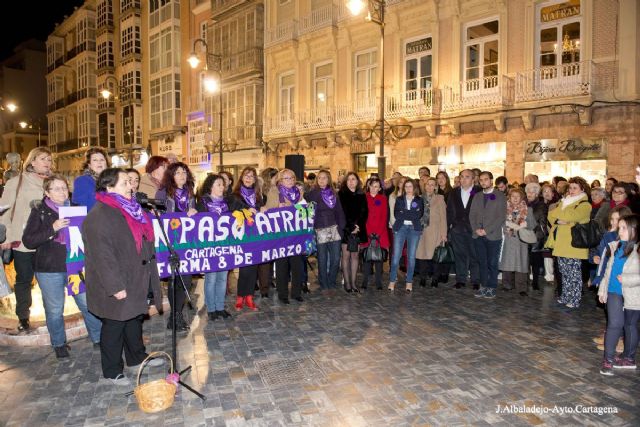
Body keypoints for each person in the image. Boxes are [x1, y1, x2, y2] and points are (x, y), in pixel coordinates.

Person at [83, 168, 163, 385]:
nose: (131, 186)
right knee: (115, 325)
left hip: (135, 276)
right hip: (115, 282)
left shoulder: (132, 210)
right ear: (109, 188)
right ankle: (111, 370)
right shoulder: (98, 216)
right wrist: (115, 287)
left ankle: (136, 358)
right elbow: (102, 258)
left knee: (134, 319)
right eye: (125, 183)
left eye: (131, 182)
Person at [22, 175, 102, 358]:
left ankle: (98, 338)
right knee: (54, 309)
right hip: (49, 268)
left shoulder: (76, 209)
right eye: (56, 189)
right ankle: (59, 343)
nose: (62, 192)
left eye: (64, 188)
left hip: (76, 265)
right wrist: (53, 228)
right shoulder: (40, 211)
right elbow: (28, 241)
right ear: (47, 192)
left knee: (87, 303)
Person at [0, 147, 53, 331]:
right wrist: (5, 236)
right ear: (32, 162)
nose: (47, 162)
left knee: (50, 279)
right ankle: (23, 316)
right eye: (43, 159)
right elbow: (5, 210)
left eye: (49, 159)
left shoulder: (53, 182)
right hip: (22, 240)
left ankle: (52, 316)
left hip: (48, 239)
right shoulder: (17, 181)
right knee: (24, 279)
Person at [156, 162, 198, 330]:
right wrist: (181, 215)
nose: (182, 175)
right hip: (170, 242)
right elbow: (159, 216)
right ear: (171, 176)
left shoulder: (190, 193)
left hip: (186, 242)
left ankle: (177, 315)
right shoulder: (163, 193)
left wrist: (194, 213)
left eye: (184, 172)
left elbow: (194, 217)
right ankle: (175, 317)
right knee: (174, 280)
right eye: (178, 172)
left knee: (186, 281)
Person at [597, 214, 640, 375]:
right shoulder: (615, 246)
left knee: (630, 326)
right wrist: (603, 289)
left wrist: (627, 279)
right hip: (614, 291)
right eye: (619, 227)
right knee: (615, 324)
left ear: (634, 230)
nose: (619, 231)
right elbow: (608, 270)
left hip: (634, 294)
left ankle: (629, 358)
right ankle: (608, 360)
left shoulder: (638, 249)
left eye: (623, 228)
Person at [546, 177, 592, 309]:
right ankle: (565, 295)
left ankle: (574, 298)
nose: (571, 190)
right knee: (563, 272)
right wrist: (565, 219)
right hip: (561, 243)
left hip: (574, 245)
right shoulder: (564, 202)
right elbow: (551, 215)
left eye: (575, 188)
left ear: (582, 189)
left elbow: (572, 216)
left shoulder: (585, 204)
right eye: (570, 188)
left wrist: (566, 219)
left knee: (574, 274)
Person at [264, 168, 306, 303]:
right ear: (280, 180)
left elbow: (305, 211)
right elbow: (268, 211)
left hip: (296, 233)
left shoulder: (298, 193)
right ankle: (282, 294)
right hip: (281, 234)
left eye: (292, 178)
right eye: (286, 178)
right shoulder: (274, 191)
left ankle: (296, 292)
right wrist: (278, 207)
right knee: (282, 264)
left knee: (297, 264)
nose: (290, 181)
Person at [196, 173, 233, 320]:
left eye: (223, 184)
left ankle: (220, 307)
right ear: (210, 186)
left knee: (222, 278)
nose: (222, 187)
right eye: (218, 184)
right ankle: (211, 308)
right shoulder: (203, 202)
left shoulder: (227, 202)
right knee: (211, 278)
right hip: (210, 246)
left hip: (224, 245)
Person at [305, 170, 345, 295]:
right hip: (320, 229)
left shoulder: (334, 194)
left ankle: (332, 281)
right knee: (322, 259)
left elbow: (339, 212)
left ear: (328, 179)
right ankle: (324, 283)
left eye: (324, 178)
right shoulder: (312, 194)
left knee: (336, 258)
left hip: (334, 229)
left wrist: (341, 228)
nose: (321, 180)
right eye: (319, 178)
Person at [229, 167, 263, 310]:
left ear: (255, 180)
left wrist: (263, 209)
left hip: (255, 235)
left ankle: (249, 296)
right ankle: (240, 296)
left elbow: (261, 210)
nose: (249, 178)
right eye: (246, 175)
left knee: (253, 267)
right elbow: (231, 213)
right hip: (241, 235)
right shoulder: (235, 195)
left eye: (252, 176)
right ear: (241, 177)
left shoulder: (258, 196)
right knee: (244, 268)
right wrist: (245, 211)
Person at [469, 171, 507, 299]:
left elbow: (501, 217)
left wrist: (487, 230)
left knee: (492, 262)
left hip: (493, 235)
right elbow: (472, 215)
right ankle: (483, 286)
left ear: (491, 180)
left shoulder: (500, 195)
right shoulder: (477, 195)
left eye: (486, 179)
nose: (483, 182)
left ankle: (492, 287)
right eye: (481, 180)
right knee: (482, 262)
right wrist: (476, 229)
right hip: (478, 235)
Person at [446, 169, 481, 290]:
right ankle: (461, 279)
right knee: (459, 255)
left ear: (473, 179)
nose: (464, 179)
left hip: (474, 229)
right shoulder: (453, 192)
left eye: (467, 177)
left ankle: (476, 280)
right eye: (462, 177)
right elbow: (449, 211)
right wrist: (448, 229)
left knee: (474, 255)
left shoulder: (479, 192)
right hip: (457, 229)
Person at [389, 178, 424, 292]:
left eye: (410, 186)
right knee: (396, 256)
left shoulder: (419, 200)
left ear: (414, 188)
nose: (408, 189)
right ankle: (392, 279)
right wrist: (409, 214)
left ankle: (409, 281)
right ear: (403, 188)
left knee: (411, 257)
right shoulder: (399, 199)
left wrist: (405, 212)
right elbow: (397, 215)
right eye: (406, 186)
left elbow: (418, 215)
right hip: (401, 228)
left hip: (414, 229)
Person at [500, 187, 534, 296]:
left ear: (522, 198)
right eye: (513, 196)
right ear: (509, 197)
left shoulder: (528, 209)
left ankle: (522, 288)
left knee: (521, 263)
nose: (515, 198)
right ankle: (507, 284)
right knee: (507, 263)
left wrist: (526, 224)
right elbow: (498, 222)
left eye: (517, 196)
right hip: (508, 239)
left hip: (521, 240)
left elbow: (533, 224)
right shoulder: (503, 209)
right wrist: (506, 224)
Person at [338, 172, 368, 293]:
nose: (351, 181)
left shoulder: (362, 195)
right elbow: (342, 213)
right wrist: (351, 227)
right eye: (349, 179)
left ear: (357, 181)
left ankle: (354, 283)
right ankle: (347, 283)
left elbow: (365, 212)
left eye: (353, 179)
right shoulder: (341, 194)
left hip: (359, 229)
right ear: (346, 182)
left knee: (355, 256)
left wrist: (358, 226)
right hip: (346, 229)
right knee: (345, 256)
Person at [416, 177, 447, 288]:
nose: (429, 187)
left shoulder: (440, 198)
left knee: (436, 256)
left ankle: (435, 279)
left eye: (432, 185)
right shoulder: (418, 199)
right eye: (428, 184)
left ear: (436, 187)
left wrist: (444, 234)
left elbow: (443, 218)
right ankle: (422, 278)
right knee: (422, 256)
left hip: (435, 231)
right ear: (424, 186)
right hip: (421, 231)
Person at [360, 176, 389, 290]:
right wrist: (367, 232)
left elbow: (384, 217)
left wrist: (378, 233)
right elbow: (362, 216)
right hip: (367, 232)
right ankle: (365, 281)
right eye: (372, 186)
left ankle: (378, 281)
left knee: (379, 258)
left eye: (376, 186)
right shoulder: (364, 198)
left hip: (380, 233)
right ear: (368, 186)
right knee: (367, 258)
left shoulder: (382, 199)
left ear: (379, 188)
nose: (374, 188)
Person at [525, 182, 548, 291]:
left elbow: (540, 221)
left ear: (537, 193)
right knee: (524, 260)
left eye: (532, 192)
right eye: (528, 191)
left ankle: (535, 281)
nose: (529, 194)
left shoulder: (541, 205)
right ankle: (524, 280)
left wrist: (538, 235)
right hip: (523, 234)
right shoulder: (523, 203)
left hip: (536, 235)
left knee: (535, 261)